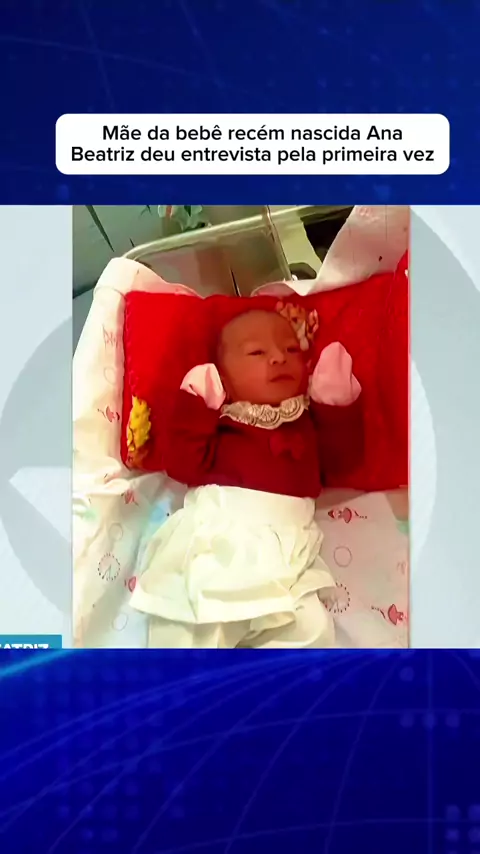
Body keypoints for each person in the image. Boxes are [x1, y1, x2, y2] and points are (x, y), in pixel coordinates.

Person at [129, 308, 363, 648]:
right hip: (222, 539)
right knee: (197, 618)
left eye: (292, 349)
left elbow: (341, 464)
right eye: (257, 352)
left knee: (311, 629)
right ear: (223, 378)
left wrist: (336, 404)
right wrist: (196, 406)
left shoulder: (305, 421)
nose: (279, 357)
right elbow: (182, 466)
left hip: (289, 551)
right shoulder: (225, 422)